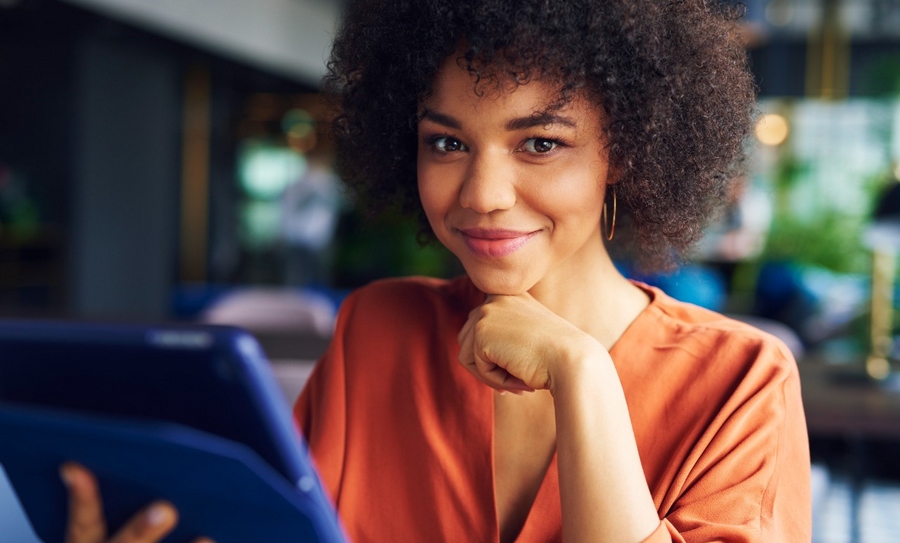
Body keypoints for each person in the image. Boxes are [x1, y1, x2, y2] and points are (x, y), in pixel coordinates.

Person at [62, 0, 811, 542]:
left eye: (540, 143)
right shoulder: (376, 331)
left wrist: (581, 372)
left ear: (626, 152)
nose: (482, 196)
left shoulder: (742, 380)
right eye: (447, 144)